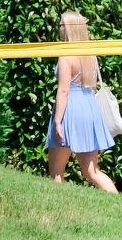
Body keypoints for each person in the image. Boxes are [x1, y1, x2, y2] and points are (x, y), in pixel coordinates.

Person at [45, 11, 116, 192]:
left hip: (71, 110)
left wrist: (58, 121)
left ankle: (57, 209)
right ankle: (116, 201)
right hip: (89, 108)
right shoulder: (90, 55)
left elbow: (63, 90)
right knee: (92, 171)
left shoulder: (66, 56)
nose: (59, 28)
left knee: (56, 171)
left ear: (67, 29)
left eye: (61, 25)